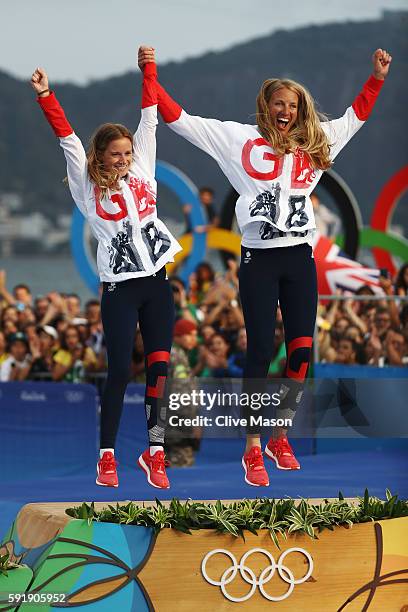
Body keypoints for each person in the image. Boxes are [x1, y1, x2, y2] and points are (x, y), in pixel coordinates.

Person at [139, 46, 392, 486]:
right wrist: (149, 72)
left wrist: (376, 78)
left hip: (299, 257)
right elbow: (179, 118)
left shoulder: (314, 144)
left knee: (301, 349)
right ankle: (252, 447)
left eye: (293, 106)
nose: (286, 111)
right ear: (266, 105)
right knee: (258, 351)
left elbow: (355, 118)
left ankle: (280, 435)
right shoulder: (238, 140)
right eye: (279, 103)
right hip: (258, 259)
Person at [31, 47, 181, 489]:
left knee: (159, 367)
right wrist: (46, 95)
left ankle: (155, 453)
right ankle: (108, 456)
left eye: (127, 153)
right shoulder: (86, 185)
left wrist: (148, 69)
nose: (123, 159)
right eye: (115, 154)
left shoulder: (144, 169)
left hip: (156, 282)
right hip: (119, 288)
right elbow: (67, 138)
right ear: (100, 157)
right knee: (119, 372)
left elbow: (150, 116)